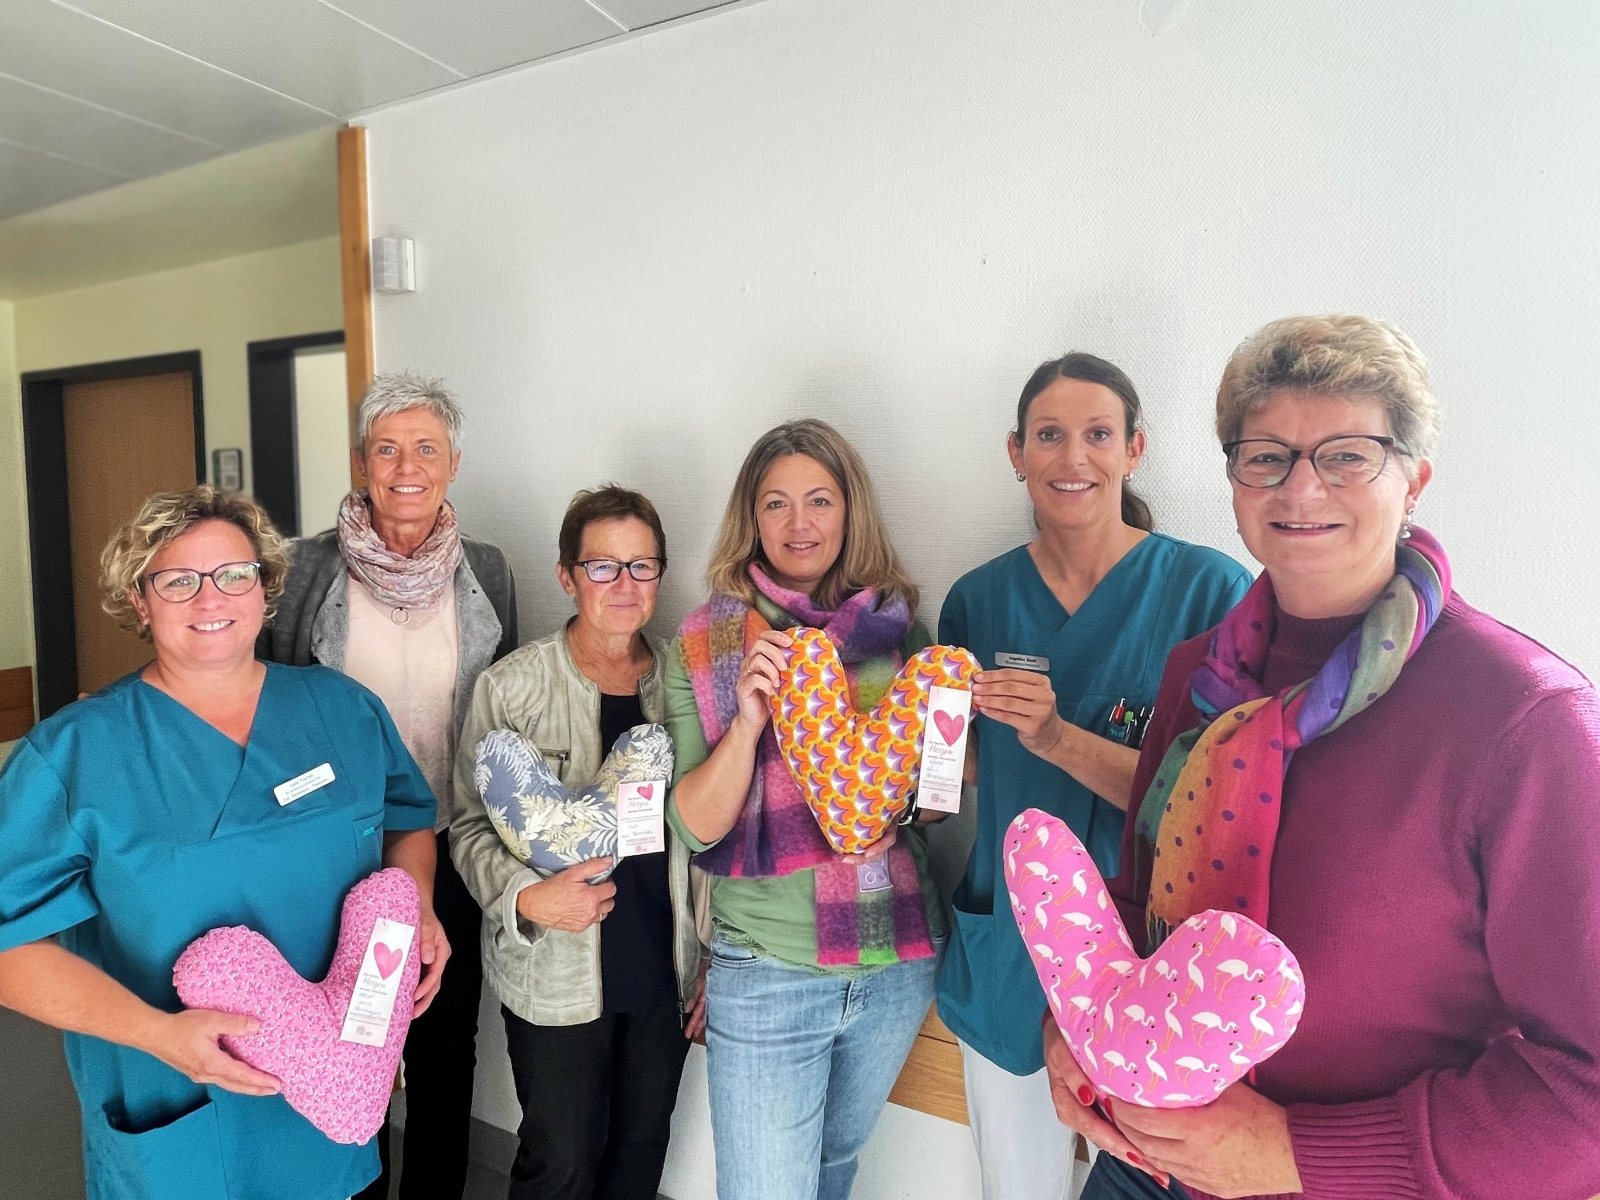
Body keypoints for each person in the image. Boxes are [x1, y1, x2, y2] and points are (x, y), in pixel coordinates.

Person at [1045, 315, 1600, 1199]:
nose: (1301, 487)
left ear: (1414, 481)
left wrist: (1293, 1153)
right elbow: (1137, 904)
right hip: (1143, 1169)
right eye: (1266, 456)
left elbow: (1586, 1090)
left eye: (1348, 455)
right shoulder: (1199, 678)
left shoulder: (1524, 722)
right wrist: (1072, 1032)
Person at [0, 485, 446, 1200]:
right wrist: (156, 1033)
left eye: (235, 574)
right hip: (179, 1094)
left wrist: (418, 902)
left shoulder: (342, 708)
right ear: (140, 601)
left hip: (337, 1091)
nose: (211, 598)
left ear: (265, 588)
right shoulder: (76, 753)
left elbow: (406, 816)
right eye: (178, 580)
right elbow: (8, 945)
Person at [936, 353, 1251, 1200]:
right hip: (1011, 957)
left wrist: (1056, 737)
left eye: (1098, 434)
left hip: (1153, 969)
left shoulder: (1209, 594)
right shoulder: (976, 602)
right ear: (1017, 453)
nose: (1073, 457)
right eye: (1049, 435)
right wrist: (890, 765)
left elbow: (1218, 807)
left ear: (1135, 449)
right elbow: (963, 772)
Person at [666, 419, 946, 1200]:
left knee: (831, 1173)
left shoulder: (901, 631)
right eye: (776, 503)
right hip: (768, 970)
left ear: (850, 510)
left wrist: (901, 812)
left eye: (819, 500)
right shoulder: (708, 641)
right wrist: (748, 721)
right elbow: (694, 827)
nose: (799, 524)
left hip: (894, 961)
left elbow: (938, 802)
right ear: (750, 517)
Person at [260, 371, 517, 1200]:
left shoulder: (486, 570)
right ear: (361, 462)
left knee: (445, 1043)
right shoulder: (303, 570)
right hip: (338, 852)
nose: (408, 468)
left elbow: (501, 707)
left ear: (453, 464)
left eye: (426, 449)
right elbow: (267, 702)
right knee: (346, 1042)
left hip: (450, 841)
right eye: (388, 449)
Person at [450, 485, 704, 1200]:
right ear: (567, 576)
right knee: (559, 1165)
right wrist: (526, 899)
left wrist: (712, 958)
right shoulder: (511, 687)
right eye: (603, 566)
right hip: (555, 976)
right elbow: (468, 827)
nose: (625, 585)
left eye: (642, 566)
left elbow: (716, 832)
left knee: (639, 1157)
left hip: (662, 967)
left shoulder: (684, 687)